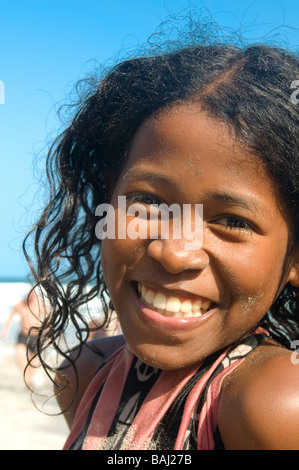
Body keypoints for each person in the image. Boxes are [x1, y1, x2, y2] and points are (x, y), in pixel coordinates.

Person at [23, 21, 299, 450]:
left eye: (233, 221)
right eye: (148, 203)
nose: (173, 253)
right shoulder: (84, 375)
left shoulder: (272, 406)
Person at [1, 290, 45, 386]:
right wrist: (5, 330)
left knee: (32, 360)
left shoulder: (40, 303)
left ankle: (31, 379)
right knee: (18, 354)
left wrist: (47, 331)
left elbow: (48, 317)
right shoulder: (21, 304)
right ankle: (28, 377)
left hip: (36, 336)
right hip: (23, 335)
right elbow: (10, 316)